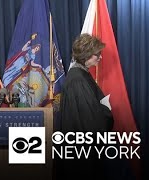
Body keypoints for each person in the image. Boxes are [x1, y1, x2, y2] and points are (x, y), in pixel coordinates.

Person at [57, 33, 114, 179]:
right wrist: (106, 111)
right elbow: (91, 120)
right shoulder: (78, 79)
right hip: (81, 153)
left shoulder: (80, 74)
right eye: (97, 54)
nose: (100, 57)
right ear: (86, 54)